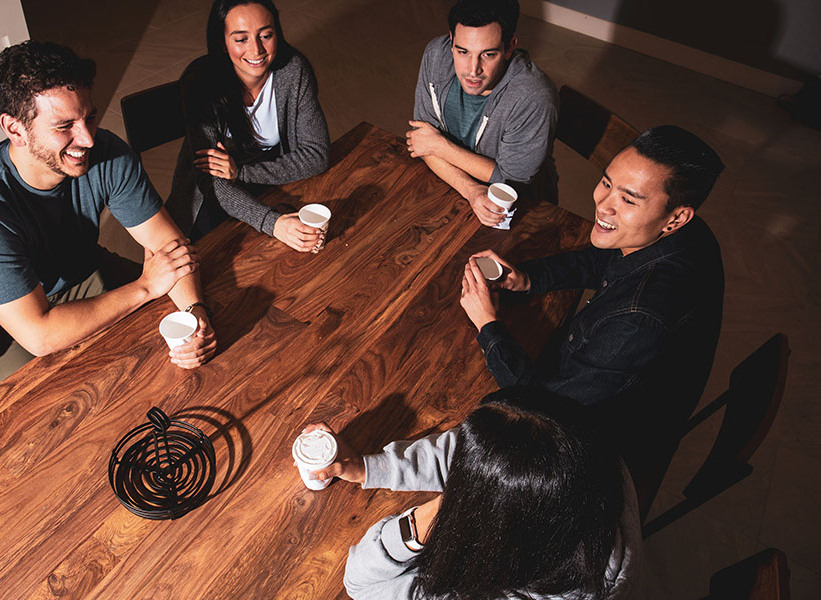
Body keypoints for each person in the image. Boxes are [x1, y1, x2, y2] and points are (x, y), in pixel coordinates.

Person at [0, 41, 216, 389]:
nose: (88, 138)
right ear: (15, 129)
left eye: (90, 117)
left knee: (174, 337)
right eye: (64, 125)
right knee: (58, 402)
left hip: (76, 270)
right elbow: (39, 334)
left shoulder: (108, 151)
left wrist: (194, 313)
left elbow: (169, 246)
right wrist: (144, 286)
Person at [459, 125, 725, 484]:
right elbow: (606, 260)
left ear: (677, 217)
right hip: (597, 379)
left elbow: (540, 408)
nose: (604, 203)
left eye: (628, 200)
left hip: (598, 450)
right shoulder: (680, 234)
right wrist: (527, 278)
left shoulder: (639, 321)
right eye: (606, 182)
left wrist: (488, 325)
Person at [306, 388, 642, 600]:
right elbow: (469, 451)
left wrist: (428, 519)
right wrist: (366, 467)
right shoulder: (588, 460)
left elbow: (361, 585)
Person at [165, 0, 330, 250]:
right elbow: (211, 181)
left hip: (274, 181)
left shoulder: (293, 70)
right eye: (241, 39)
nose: (256, 50)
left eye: (266, 35)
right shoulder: (200, 82)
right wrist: (272, 223)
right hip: (213, 198)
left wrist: (240, 172)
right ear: (222, 41)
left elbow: (317, 155)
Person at [407, 0, 558, 227]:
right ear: (451, 40)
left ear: (509, 47)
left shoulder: (533, 97)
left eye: (488, 54)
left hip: (514, 212)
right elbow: (421, 142)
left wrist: (440, 146)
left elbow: (511, 183)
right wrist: (471, 190)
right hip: (453, 188)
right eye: (463, 51)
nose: (472, 69)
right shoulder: (437, 56)